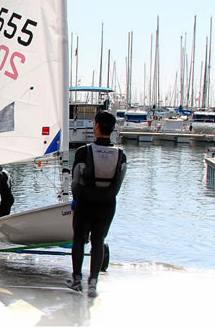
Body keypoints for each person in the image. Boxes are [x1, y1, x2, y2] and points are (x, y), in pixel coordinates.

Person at [66, 110, 126, 297]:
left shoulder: (84, 152)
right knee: (98, 240)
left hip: (85, 203)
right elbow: (118, 183)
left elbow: (75, 181)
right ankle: (93, 283)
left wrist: (76, 202)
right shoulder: (121, 155)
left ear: (97, 126)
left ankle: (77, 280)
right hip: (107, 205)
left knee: (78, 239)